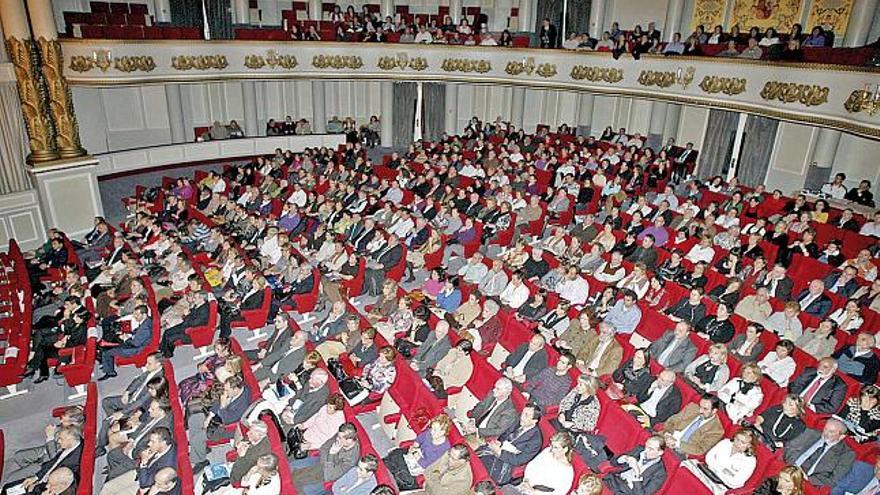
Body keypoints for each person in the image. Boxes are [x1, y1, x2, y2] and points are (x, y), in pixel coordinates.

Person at [476, 403, 543, 485]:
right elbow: (505, 434)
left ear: (534, 421)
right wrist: (499, 442)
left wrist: (500, 452)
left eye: (526, 415)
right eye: (523, 413)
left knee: (487, 475)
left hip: (508, 460)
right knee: (477, 456)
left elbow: (519, 460)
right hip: (499, 448)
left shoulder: (535, 440)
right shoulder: (518, 420)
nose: (522, 417)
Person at [383, 414, 451, 491]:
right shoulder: (429, 432)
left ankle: (390, 476)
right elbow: (419, 439)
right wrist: (414, 446)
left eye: (435, 430)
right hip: (416, 454)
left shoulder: (444, 448)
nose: (431, 432)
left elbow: (426, 464)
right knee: (395, 453)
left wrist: (415, 454)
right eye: (431, 428)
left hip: (422, 466)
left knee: (403, 475)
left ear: (443, 432)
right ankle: (387, 472)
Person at [682, 428, 758, 494]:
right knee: (684, 466)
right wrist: (724, 471)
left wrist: (717, 471)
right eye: (737, 439)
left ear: (749, 445)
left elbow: (736, 482)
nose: (738, 443)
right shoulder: (725, 443)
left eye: (743, 442)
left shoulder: (750, 461)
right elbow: (708, 458)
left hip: (720, 485)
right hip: (706, 471)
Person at [784, 419, 855, 487]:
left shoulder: (846, 454)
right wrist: (790, 464)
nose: (825, 433)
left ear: (842, 436)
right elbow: (790, 446)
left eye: (831, 432)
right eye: (825, 429)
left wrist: (807, 478)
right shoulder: (811, 433)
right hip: (788, 468)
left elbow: (833, 479)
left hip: (806, 481)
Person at [502, 432, 575, 495]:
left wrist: (534, 492)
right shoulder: (547, 451)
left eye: (556, 447)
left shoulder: (567, 472)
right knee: (504, 489)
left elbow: (559, 493)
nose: (552, 450)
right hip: (526, 485)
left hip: (538, 492)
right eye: (551, 446)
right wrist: (526, 480)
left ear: (565, 449)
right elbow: (531, 465)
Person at [99, 304, 154, 380]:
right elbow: (136, 332)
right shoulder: (147, 321)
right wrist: (127, 335)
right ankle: (106, 364)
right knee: (112, 341)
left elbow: (135, 343)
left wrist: (125, 338)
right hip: (136, 344)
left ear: (144, 315)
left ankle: (110, 372)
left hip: (135, 349)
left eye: (137, 314)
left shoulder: (145, 328)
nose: (135, 316)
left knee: (106, 352)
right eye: (134, 314)